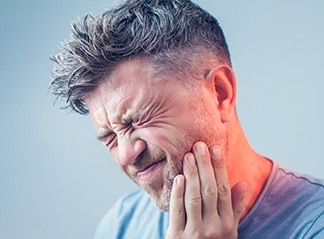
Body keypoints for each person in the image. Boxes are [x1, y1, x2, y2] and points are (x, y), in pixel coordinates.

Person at [50, 0, 324, 238]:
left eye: (138, 120)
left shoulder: (314, 225)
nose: (126, 155)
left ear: (220, 93)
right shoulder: (120, 225)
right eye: (109, 137)